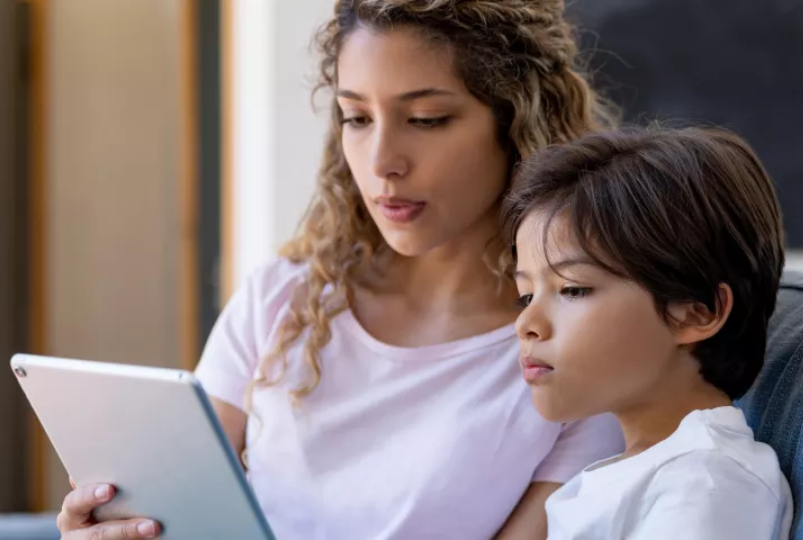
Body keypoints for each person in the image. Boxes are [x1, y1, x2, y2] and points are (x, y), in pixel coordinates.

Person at [57, 1, 625, 538]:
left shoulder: (577, 347)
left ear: (516, 124)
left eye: (426, 119)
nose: (382, 162)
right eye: (356, 117)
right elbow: (174, 505)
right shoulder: (282, 297)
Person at [503, 125, 794, 539]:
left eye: (573, 289)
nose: (526, 324)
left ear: (697, 313)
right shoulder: (644, 469)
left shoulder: (706, 481)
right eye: (525, 296)